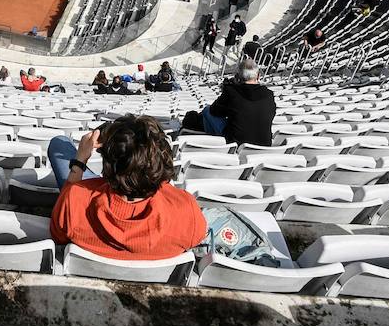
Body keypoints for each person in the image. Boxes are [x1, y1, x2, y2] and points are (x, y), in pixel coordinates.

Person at [46, 116, 206, 261]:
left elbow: (58, 233)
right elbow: (197, 237)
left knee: (59, 142)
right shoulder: (186, 209)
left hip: (97, 196)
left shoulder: (74, 199)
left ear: (108, 166)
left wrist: (80, 161)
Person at [182, 61, 276, 145]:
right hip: (265, 142)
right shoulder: (269, 95)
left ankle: (202, 132)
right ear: (258, 76)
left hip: (236, 142)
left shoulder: (232, 92)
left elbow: (214, 111)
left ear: (238, 77)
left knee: (207, 110)